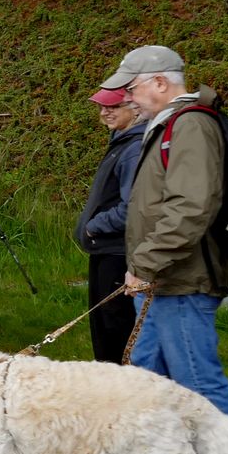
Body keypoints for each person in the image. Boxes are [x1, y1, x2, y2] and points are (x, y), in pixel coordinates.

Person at [105, 45, 228, 454]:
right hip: (162, 277)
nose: (129, 99)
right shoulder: (169, 124)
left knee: (197, 378)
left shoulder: (191, 125)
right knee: (142, 373)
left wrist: (147, 262)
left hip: (182, 279)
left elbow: (191, 206)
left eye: (133, 89)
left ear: (160, 82)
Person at [74, 87, 146, 363]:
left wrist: (96, 225)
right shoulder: (122, 140)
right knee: (103, 326)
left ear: (134, 107)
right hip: (106, 250)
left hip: (118, 252)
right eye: (102, 106)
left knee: (115, 329)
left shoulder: (134, 148)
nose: (105, 112)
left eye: (113, 107)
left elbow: (133, 206)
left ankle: (118, 390)